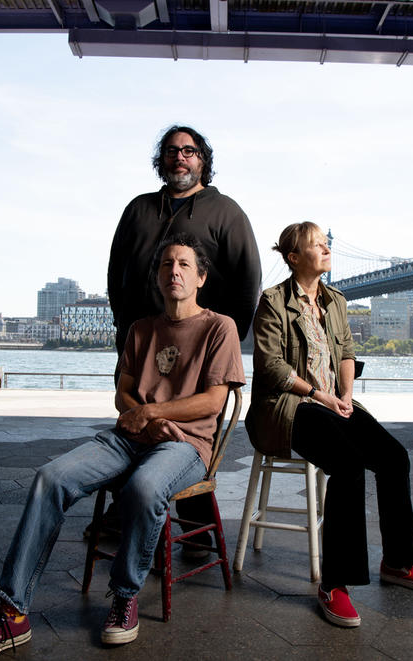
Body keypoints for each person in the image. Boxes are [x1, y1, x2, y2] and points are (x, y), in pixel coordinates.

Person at [0, 234, 245, 660]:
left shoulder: (220, 327)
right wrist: (142, 417)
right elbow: (123, 396)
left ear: (200, 276)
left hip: (185, 445)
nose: (172, 271)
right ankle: (12, 614)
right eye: (165, 264)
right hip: (128, 437)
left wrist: (156, 416)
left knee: (143, 489)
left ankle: (125, 597)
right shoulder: (142, 329)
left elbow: (214, 401)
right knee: (50, 478)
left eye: (182, 264)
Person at [245, 221, 413, 630]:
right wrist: (320, 395)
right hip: (287, 406)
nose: (326, 247)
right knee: (349, 466)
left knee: (393, 457)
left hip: (334, 403)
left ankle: (398, 563)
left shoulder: (336, 300)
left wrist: (346, 396)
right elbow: (270, 366)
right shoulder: (273, 301)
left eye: (325, 242)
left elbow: (347, 352)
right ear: (294, 257)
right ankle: (334, 584)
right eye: (316, 244)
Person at [105, 125, 261, 551]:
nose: (180, 158)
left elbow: (249, 282)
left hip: (200, 348)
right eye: (172, 151)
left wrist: (221, 342)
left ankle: (188, 529)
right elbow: (116, 272)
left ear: (202, 160)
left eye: (189, 151)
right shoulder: (138, 209)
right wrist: (125, 329)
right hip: (141, 342)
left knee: (186, 430)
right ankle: (126, 515)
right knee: (136, 423)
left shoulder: (226, 211)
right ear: (162, 159)